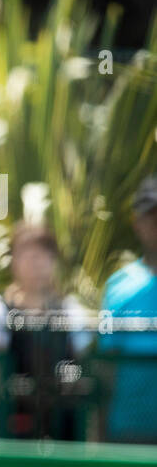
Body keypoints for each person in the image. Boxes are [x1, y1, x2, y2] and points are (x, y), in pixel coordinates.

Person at [0, 223, 91, 439]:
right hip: (9, 432)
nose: (36, 263)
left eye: (43, 254)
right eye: (27, 254)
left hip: (64, 434)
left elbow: (84, 372)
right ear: (14, 261)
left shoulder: (72, 311)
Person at [98, 175, 157, 443]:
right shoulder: (117, 287)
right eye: (152, 217)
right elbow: (105, 368)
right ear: (138, 224)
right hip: (128, 435)